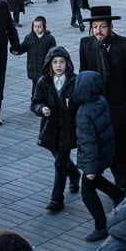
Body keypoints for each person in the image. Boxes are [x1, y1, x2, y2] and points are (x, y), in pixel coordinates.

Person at [79, 6, 126, 193]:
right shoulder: (86, 44)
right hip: (97, 109)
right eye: (95, 26)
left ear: (111, 27)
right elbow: (83, 75)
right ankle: (104, 188)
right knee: (97, 152)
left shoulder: (125, 45)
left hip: (120, 108)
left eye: (103, 26)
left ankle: (121, 189)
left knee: (121, 151)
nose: (98, 31)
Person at [73, 70, 124, 242]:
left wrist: (90, 169)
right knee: (96, 179)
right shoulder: (100, 101)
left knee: (87, 191)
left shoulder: (84, 113)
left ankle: (101, 226)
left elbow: (88, 143)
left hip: (94, 158)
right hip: (105, 153)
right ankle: (117, 194)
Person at [31, 46, 82, 213]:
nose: (59, 65)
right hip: (51, 129)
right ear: (49, 65)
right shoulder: (43, 82)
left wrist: (73, 104)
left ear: (67, 63)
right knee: (61, 159)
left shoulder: (74, 80)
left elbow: (81, 102)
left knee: (60, 163)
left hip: (68, 128)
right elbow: (35, 102)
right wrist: (41, 109)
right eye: (55, 62)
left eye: (62, 61)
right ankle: (74, 174)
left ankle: (56, 199)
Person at [21, 16, 56, 99]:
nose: (37, 28)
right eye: (35, 26)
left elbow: (53, 51)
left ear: (44, 27)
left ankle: (45, 98)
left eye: (39, 27)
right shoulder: (29, 38)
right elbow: (23, 47)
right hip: (33, 67)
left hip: (45, 67)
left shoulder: (49, 38)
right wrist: (16, 50)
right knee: (35, 83)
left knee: (45, 84)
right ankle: (34, 98)